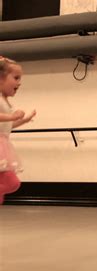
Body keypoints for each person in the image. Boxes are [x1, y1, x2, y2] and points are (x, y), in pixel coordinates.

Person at [0, 57, 36, 204]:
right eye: (15, 78)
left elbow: (7, 126)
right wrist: (11, 116)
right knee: (11, 182)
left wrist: (23, 120)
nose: (19, 82)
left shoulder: (5, 100)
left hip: (3, 144)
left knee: (8, 183)